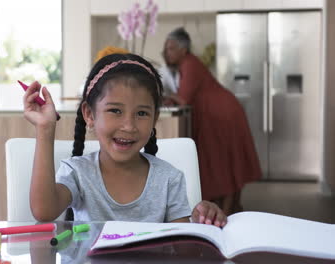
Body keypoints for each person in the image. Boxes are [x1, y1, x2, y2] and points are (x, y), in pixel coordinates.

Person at [23, 53, 227, 226]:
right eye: (115, 111)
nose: (129, 126)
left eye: (141, 114)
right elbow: (44, 211)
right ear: (89, 114)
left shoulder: (169, 179)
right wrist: (45, 128)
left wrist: (201, 220)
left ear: (155, 118)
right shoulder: (78, 173)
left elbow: (181, 246)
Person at [163, 27, 262, 215]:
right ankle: (230, 209)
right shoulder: (188, 63)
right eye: (167, 48)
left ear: (184, 50)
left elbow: (184, 98)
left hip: (222, 114)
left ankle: (228, 211)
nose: (168, 52)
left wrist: (169, 96)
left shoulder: (189, 64)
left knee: (223, 162)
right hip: (220, 113)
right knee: (226, 162)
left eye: (171, 48)